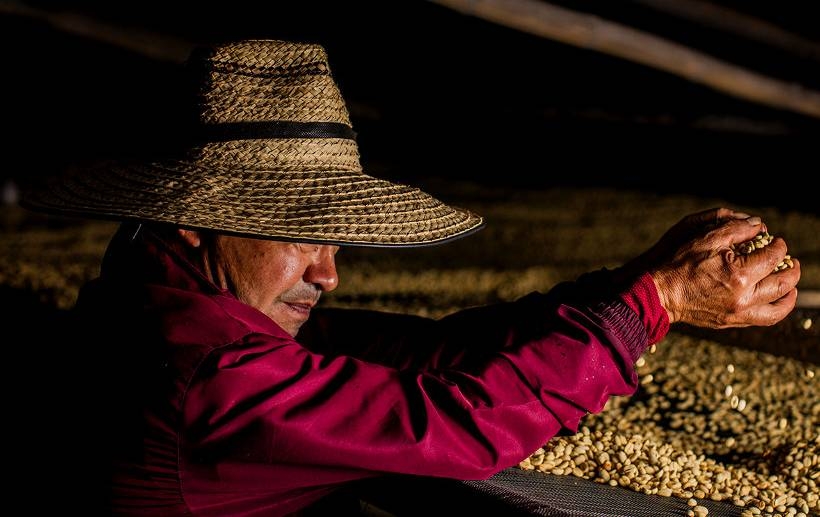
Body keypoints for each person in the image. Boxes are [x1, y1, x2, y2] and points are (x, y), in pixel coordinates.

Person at [21, 39, 800, 516]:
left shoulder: (170, 302)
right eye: (304, 238)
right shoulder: (209, 372)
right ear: (195, 220)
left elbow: (422, 353)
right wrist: (656, 299)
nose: (328, 272)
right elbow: (455, 423)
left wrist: (631, 288)